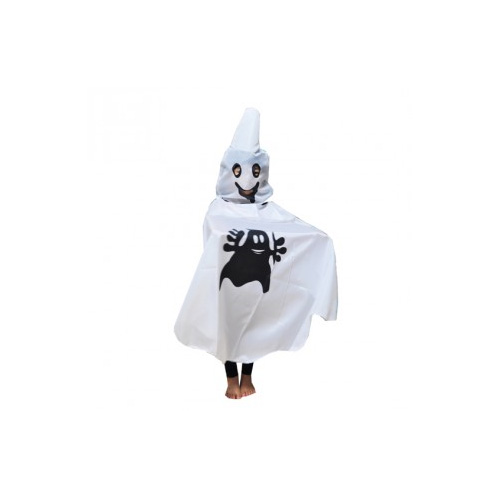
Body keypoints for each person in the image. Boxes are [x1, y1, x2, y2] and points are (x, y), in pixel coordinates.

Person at [175, 108, 338, 399]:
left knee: (256, 321)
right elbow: (215, 236)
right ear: (229, 171)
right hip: (229, 283)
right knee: (228, 321)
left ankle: (248, 375)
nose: (247, 181)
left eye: (254, 172)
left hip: (260, 281)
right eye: (239, 172)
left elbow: (291, 228)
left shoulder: (268, 211)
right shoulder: (218, 209)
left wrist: (319, 241)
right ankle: (231, 378)